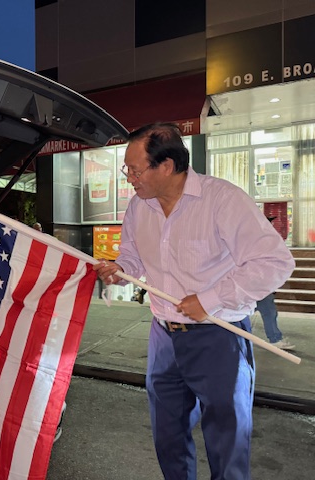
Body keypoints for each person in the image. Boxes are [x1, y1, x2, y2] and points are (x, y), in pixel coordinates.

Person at [93, 123, 295, 480]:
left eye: (135, 171)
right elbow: (133, 256)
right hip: (163, 336)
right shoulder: (140, 207)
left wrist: (210, 299)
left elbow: (275, 262)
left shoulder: (223, 200)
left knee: (227, 438)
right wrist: (121, 269)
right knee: (167, 433)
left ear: (167, 166)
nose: (130, 179)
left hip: (219, 334)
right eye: (127, 171)